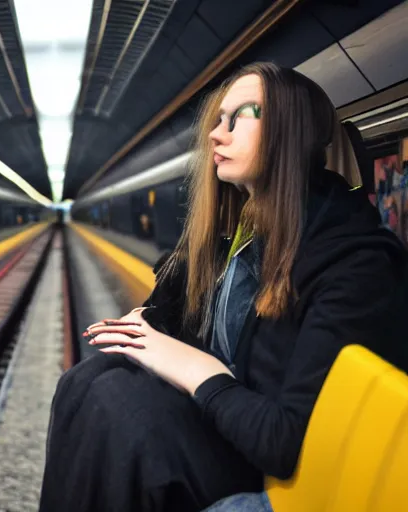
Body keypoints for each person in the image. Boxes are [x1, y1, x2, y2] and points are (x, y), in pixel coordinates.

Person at [39, 62, 408, 512]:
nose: (216, 133)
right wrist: (150, 327)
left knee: (119, 408)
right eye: (218, 119)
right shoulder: (246, 229)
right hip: (234, 429)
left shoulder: (353, 264)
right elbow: (198, 322)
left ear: (288, 132)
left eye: (240, 117)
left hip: (274, 462)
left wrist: (186, 364)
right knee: (88, 379)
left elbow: (283, 441)